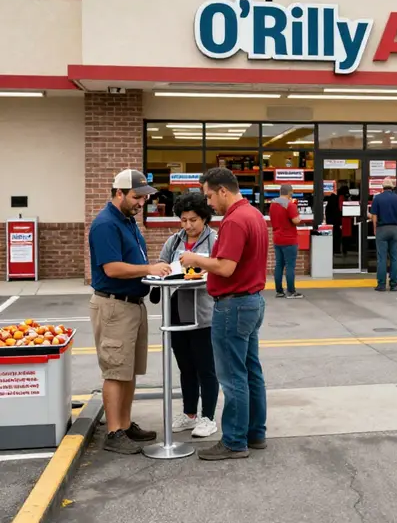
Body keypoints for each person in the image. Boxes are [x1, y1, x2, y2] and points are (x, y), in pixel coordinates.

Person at [180, 168, 268, 460]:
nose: (209, 204)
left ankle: (233, 440)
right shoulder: (254, 215)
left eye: (209, 197)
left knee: (232, 376)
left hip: (233, 305)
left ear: (223, 191)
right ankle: (255, 433)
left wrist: (195, 259)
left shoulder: (234, 221)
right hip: (252, 301)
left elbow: (226, 267)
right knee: (251, 371)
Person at [88, 169, 172, 455]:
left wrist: (155, 271)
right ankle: (113, 433)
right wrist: (149, 269)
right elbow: (112, 268)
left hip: (132, 304)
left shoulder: (127, 221)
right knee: (115, 369)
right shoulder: (105, 224)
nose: (140, 203)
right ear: (119, 193)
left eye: (143, 198)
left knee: (129, 370)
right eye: (136, 197)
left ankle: (124, 424)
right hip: (114, 305)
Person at [158, 192, 219, 439]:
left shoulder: (215, 240)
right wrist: (163, 271)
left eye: (193, 220)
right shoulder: (173, 241)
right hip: (177, 309)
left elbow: (221, 268)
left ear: (204, 218)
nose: (188, 225)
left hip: (204, 310)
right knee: (186, 366)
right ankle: (190, 413)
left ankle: (208, 417)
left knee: (206, 367)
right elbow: (162, 264)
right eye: (183, 220)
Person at [369, 177, 397, 292]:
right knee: (395, 258)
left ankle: (381, 284)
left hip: (382, 229)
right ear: (393, 187)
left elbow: (374, 216)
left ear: (382, 187)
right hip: (395, 229)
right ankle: (394, 285)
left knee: (382, 258)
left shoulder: (377, 199)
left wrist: (375, 228)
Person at [269, 183, 304, 299]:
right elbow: (295, 221)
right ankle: (291, 291)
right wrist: (299, 218)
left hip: (277, 238)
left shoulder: (273, 204)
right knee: (290, 266)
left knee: (279, 265)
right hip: (289, 239)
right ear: (290, 193)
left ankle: (279, 291)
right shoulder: (290, 205)